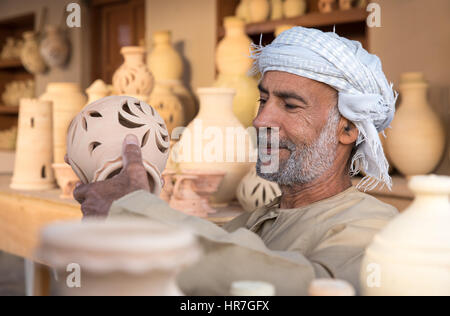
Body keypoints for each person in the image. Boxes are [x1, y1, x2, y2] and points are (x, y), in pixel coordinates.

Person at [71, 27, 398, 295]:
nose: (259, 121)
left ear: (348, 128)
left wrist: (132, 211)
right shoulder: (255, 221)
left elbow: (309, 285)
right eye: (263, 100)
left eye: (290, 105)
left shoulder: (375, 227)